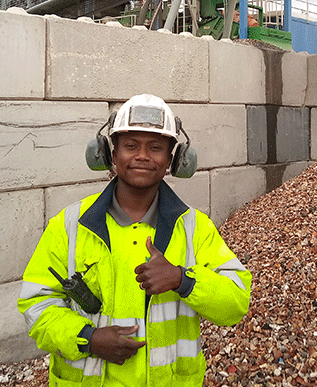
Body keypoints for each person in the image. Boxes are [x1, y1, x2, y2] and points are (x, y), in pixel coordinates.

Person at [18, 94, 251, 386]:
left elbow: (236, 301)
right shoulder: (69, 225)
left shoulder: (195, 228)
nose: (142, 156)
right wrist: (88, 338)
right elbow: (36, 302)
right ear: (111, 155)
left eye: (155, 148)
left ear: (172, 160)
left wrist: (183, 279)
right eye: (130, 146)